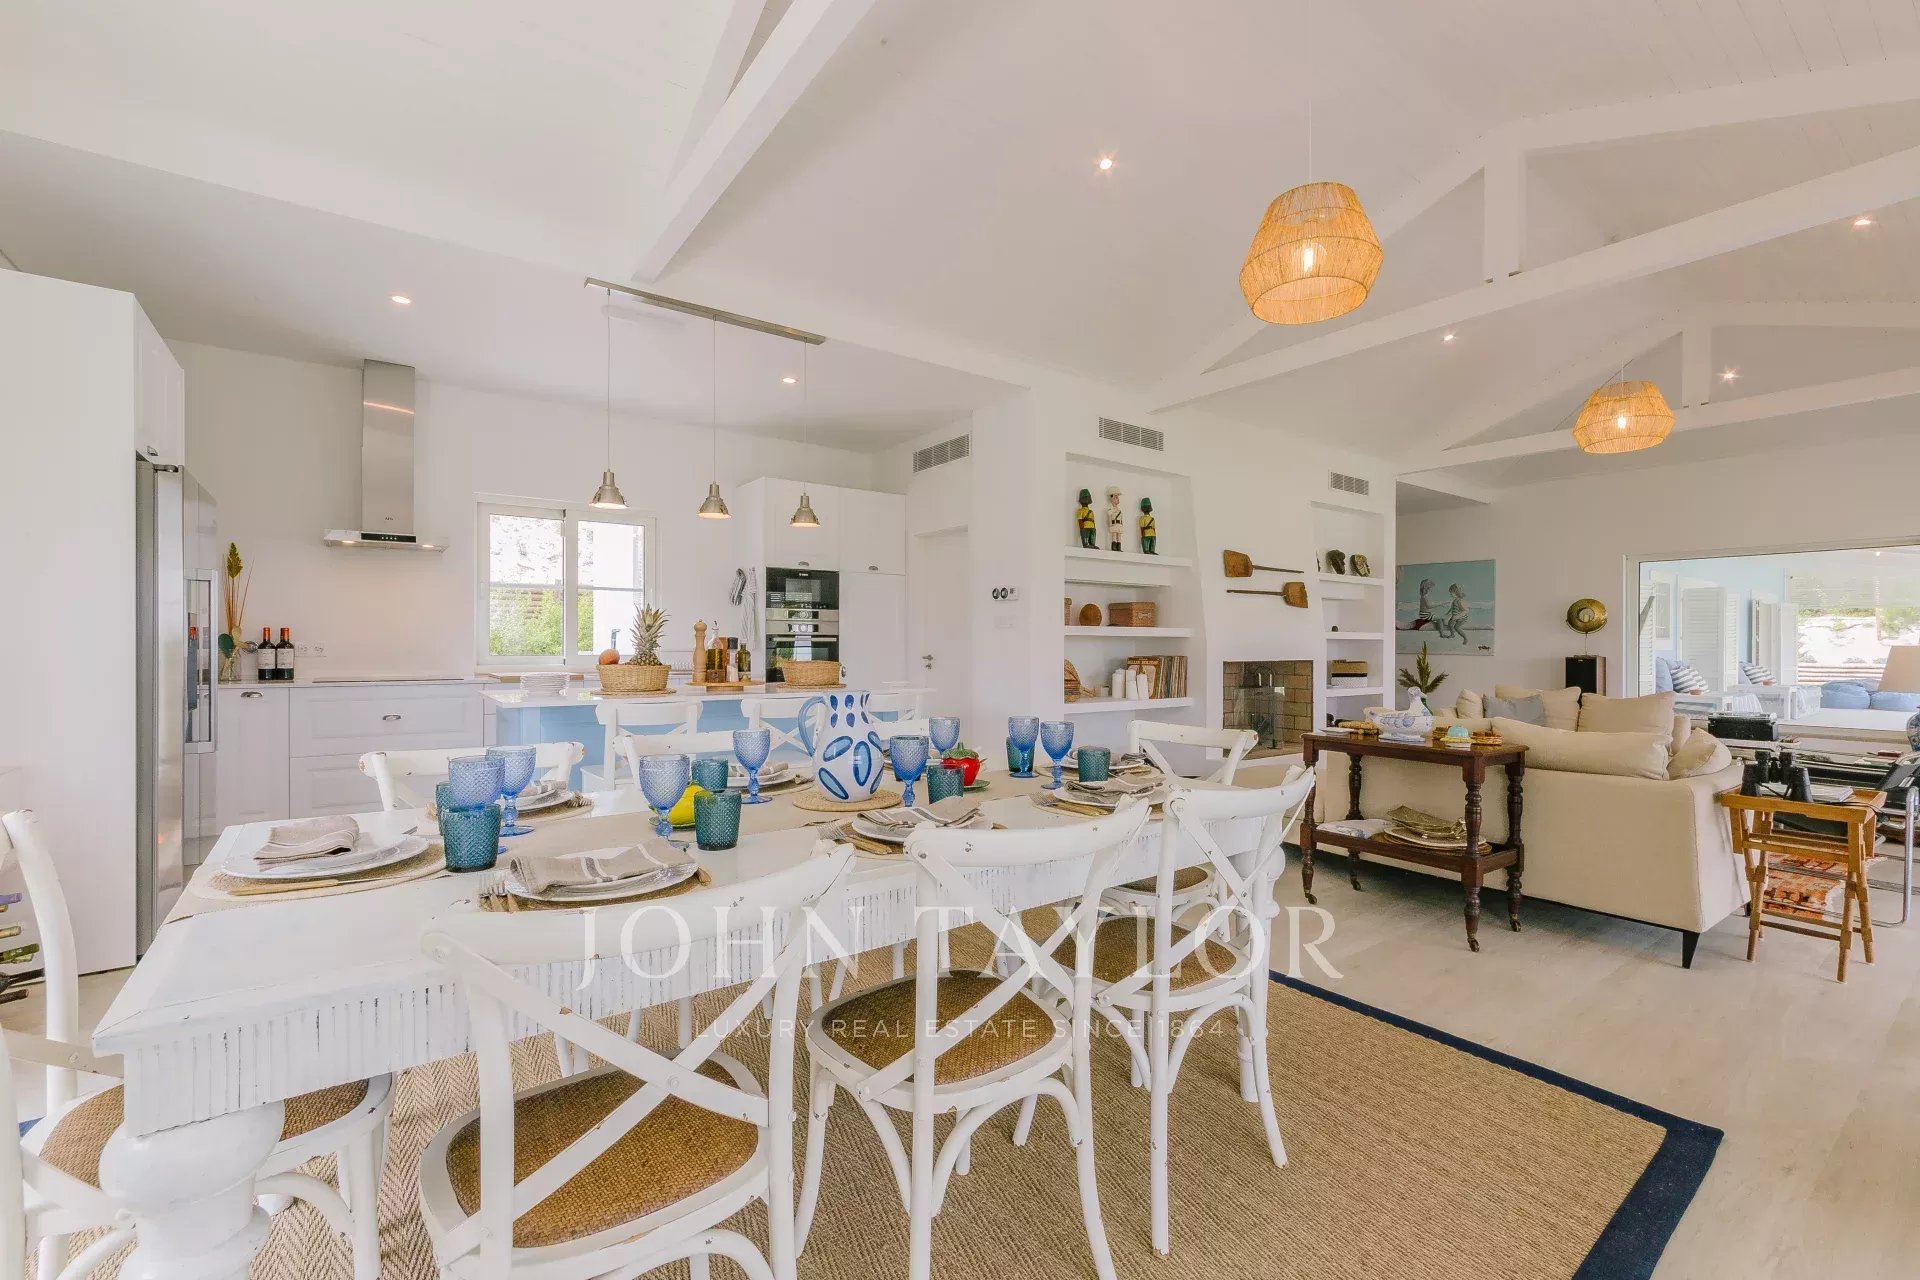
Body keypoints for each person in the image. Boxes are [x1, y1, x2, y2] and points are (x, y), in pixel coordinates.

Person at [1106, 487, 1124, 552]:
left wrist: (1122, 524)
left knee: (1119, 536)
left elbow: (1121, 518)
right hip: (1114, 524)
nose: (1118, 499)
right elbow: (1109, 517)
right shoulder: (1111, 510)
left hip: (1119, 525)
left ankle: (1119, 547)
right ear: (1112, 499)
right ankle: (1114, 547)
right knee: (1114, 535)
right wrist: (1110, 525)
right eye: (1116, 497)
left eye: (1117, 497)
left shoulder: (1119, 510)